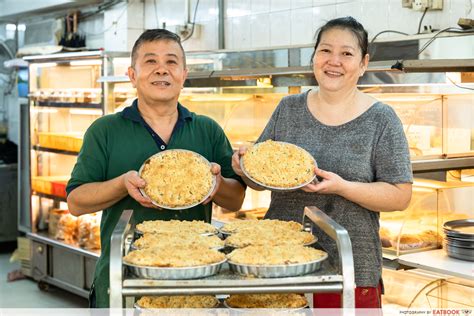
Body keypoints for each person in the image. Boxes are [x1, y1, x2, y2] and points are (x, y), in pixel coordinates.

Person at [232, 16, 412, 308]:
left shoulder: (381, 119)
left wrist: (342, 187)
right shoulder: (288, 108)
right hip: (278, 263)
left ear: (363, 63)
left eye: (347, 53)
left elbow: (400, 195)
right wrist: (243, 167)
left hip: (351, 268)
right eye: (325, 50)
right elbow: (258, 179)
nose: (334, 61)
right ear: (314, 57)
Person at [66, 29, 246, 308]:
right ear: (132, 75)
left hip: (194, 276)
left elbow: (236, 200)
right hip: (124, 278)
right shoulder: (105, 131)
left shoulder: (207, 129)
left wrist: (217, 183)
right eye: (150, 61)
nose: (162, 70)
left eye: (172, 62)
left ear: (184, 75)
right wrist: (121, 183)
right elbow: (76, 203)